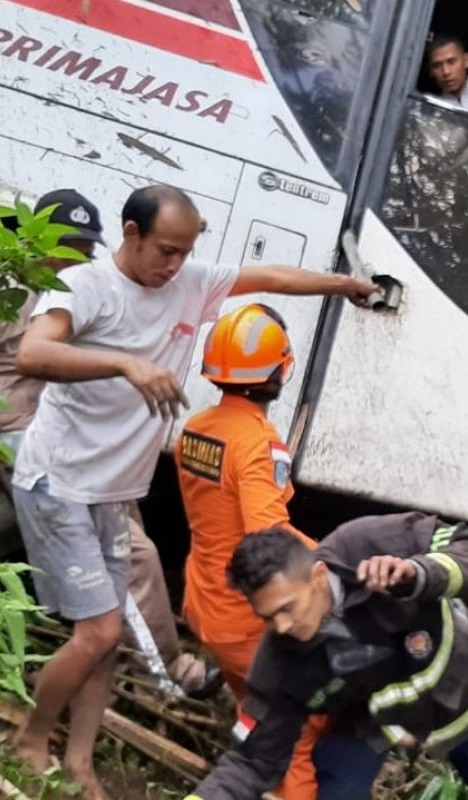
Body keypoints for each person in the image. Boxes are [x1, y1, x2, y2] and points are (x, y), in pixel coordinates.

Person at [9, 184, 377, 799]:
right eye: (164, 250)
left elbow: (274, 279)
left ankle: (77, 761)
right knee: (98, 632)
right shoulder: (87, 285)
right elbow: (32, 351)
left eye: (185, 252)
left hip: (110, 494)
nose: (175, 265)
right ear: (130, 233)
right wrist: (125, 363)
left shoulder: (189, 288)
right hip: (59, 481)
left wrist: (345, 286)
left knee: (103, 644)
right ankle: (30, 735)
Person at [0, 189, 221, 700]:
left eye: (82, 249)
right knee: (131, 551)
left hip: (65, 437)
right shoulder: (0, 292)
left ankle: (121, 652)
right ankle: (167, 672)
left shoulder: (83, 291)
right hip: (11, 430)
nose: (72, 257)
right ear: (33, 240)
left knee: (131, 524)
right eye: (61, 245)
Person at [184, 516, 468, 800]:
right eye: (267, 617)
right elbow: (253, 761)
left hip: (455, 691)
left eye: (287, 608)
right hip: (374, 724)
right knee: (336, 786)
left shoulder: (369, 543)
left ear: (319, 576)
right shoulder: (279, 665)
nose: (281, 626)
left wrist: (420, 573)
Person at [175, 303, 324, 799]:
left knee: (263, 727)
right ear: (283, 370)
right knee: (296, 740)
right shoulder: (259, 443)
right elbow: (269, 534)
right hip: (246, 622)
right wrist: (333, 557)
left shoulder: (196, 428)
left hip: (205, 608)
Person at [425, 33, 468, 112]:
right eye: (437, 66)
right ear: (431, 71)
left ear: (466, 61)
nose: (446, 72)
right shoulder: (430, 108)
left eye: (451, 62)